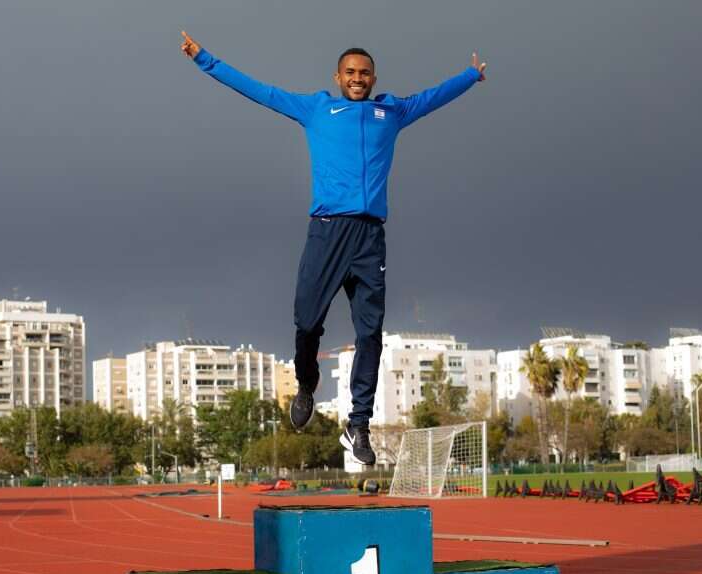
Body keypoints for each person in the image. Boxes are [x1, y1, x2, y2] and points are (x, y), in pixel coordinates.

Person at [180, 31, 486, 465]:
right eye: (350, 73)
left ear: (374, 77)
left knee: (370, 334)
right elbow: (259, 91)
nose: (357, 78)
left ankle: (358, 424)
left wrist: (471, 76)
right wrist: (203, 59)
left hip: (369, 238)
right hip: (326, 233)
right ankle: (306, 384)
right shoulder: (317, 108)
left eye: (364, 73)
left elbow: (433, 97)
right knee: (307, 322)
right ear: (338, 77)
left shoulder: (391, 111)